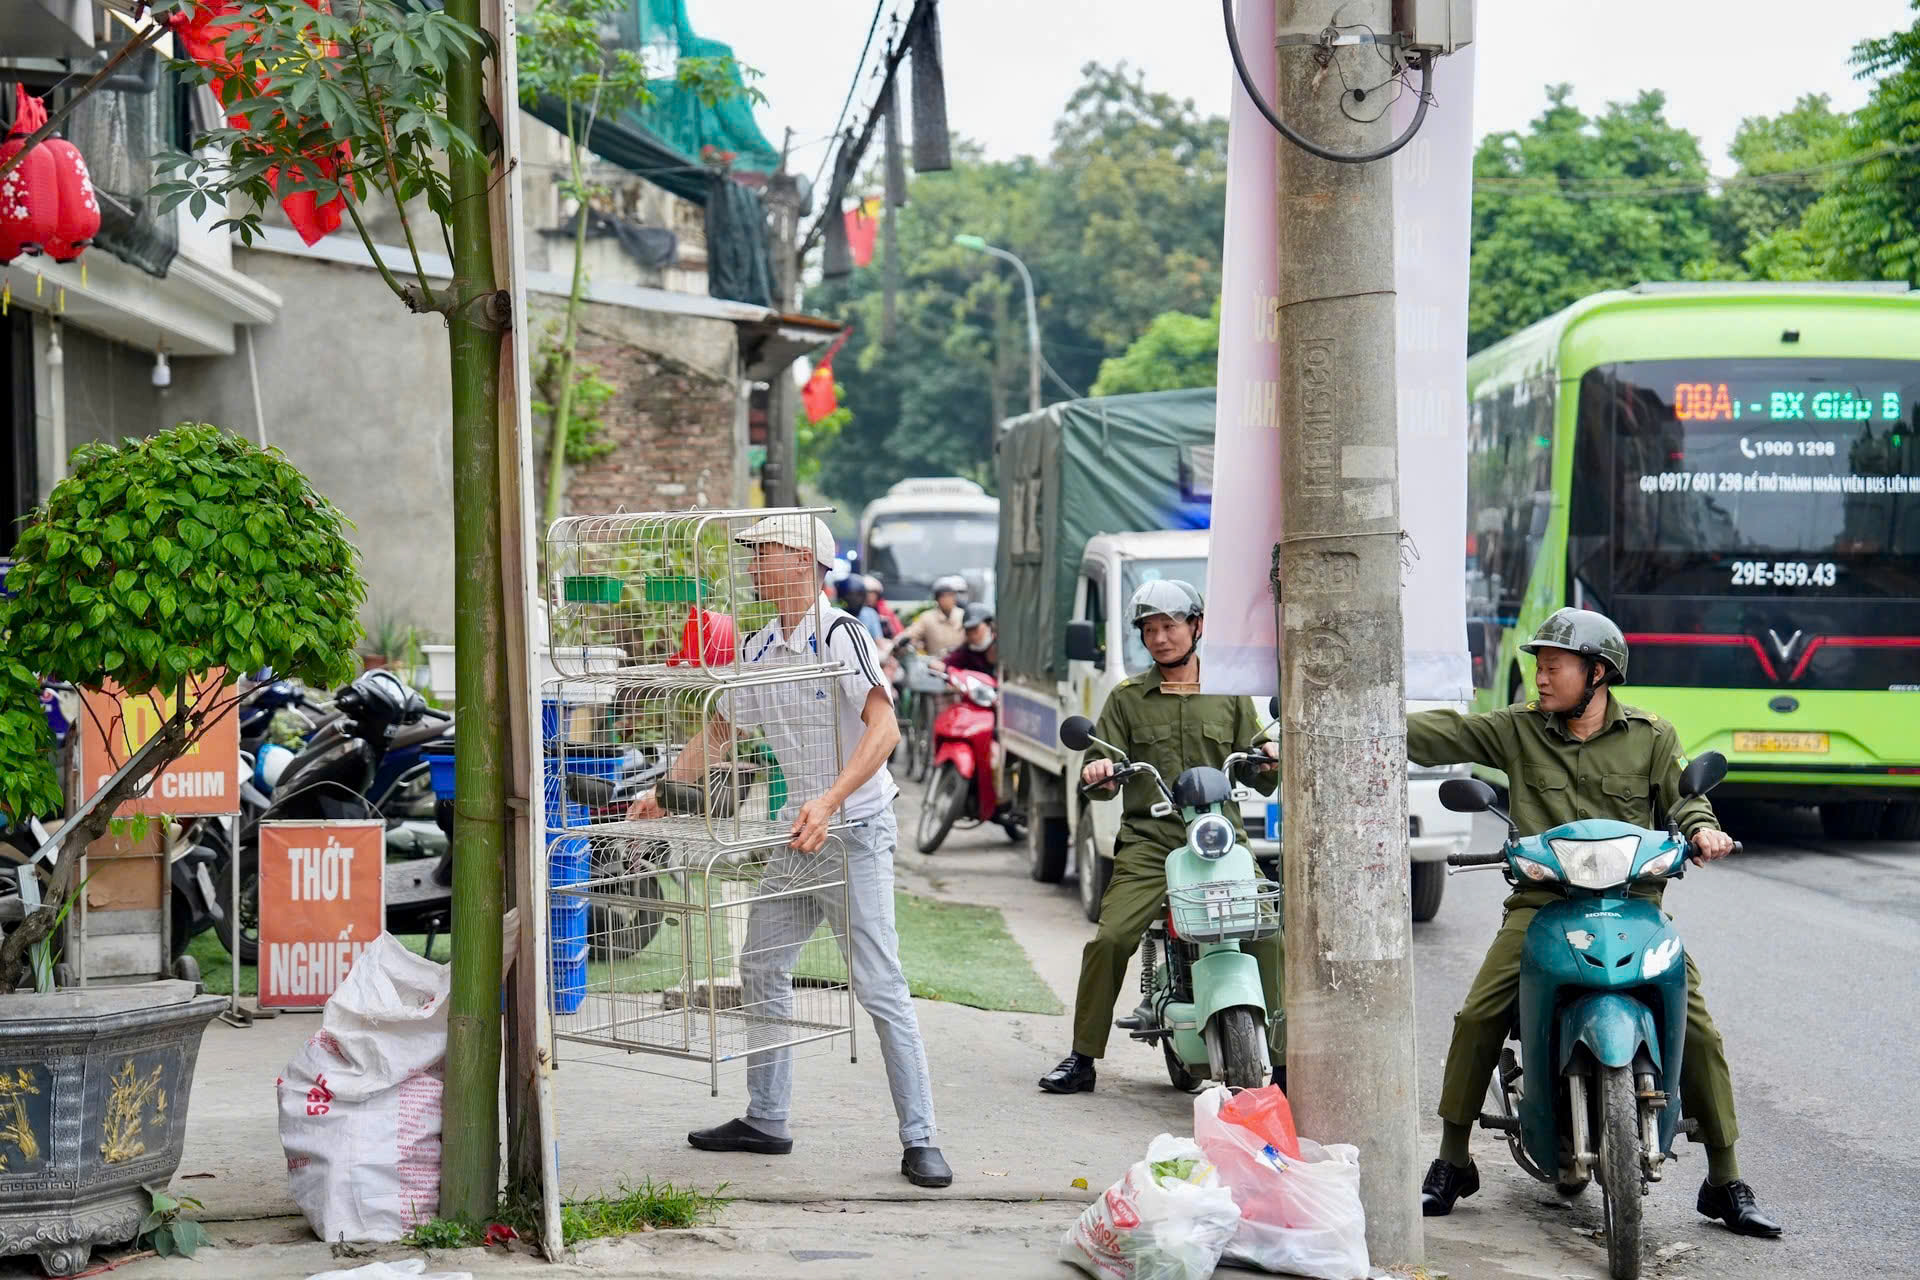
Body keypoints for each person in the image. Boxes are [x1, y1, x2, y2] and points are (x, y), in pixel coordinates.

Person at [1408, 608, 1780, 1238]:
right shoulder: (1517, 730)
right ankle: (1452, 1157)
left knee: (1699, 1030)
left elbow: (1685, 795)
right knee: (1478, 1016)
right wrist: (1345, 718)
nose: (1540, 679)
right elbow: (1447, 734)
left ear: (1598, 673)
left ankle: (1725, 1179)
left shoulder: (1652, 736)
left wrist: (1703, 829)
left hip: (1634, 909)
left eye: (1553, 667)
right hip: (1542, 908)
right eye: (1538, 666)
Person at [626, 514, 952, 1189]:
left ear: (803, 559)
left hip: (854, 830)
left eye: (763, 552)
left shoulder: (842, 636)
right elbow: (721, 728)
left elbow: (884, 729)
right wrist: (666, 788)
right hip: (795, 834)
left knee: (880, 986)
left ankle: (921, 1138)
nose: (751, 565)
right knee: (761, 964)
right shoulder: (759, 646)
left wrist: (830, 801)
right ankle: (767, 1118)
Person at [1038, 580, 1283, 1096]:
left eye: (1170, 626)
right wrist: (1098, 770)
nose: (1160, 638)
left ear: (1196, 626)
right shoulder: (1128, 699)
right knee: (1110, 939)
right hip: (1151, 844)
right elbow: (1097, 773)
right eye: (1150, 629)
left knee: (1268, 932)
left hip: (1219, 836)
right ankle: (1083, 1057)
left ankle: (1281, 1062)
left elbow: (1261, 769)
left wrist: (1270, 756)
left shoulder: (1230, 694)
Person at [898, 576, 968, 659]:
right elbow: (911, 633)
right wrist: (899, 642)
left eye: (950, 595)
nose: (947, 599)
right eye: (943, 596)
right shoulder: (927, 617)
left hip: (962, 662)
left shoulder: (963, 615)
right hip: (936, 664)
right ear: (937, 599)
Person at [933, 602, 998, 678]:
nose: (972, 635)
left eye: (975, 629)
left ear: (988, 625)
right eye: (968, 630)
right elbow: (946, 664)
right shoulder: (966, 651)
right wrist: (940, 666)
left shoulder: (1002, 647)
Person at [836, 575, 885, 641]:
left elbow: (879, 640)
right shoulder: (836, 614)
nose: (856, 599)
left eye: (860, 595)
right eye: (850, 595)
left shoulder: (870, 613)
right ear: (842, 596)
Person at [864, 574, 903, 639]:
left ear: (878, 596)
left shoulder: (885, 611)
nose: (869, 598)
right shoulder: (858, 612)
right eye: (867, 594)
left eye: (873, 594)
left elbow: (898, 632)